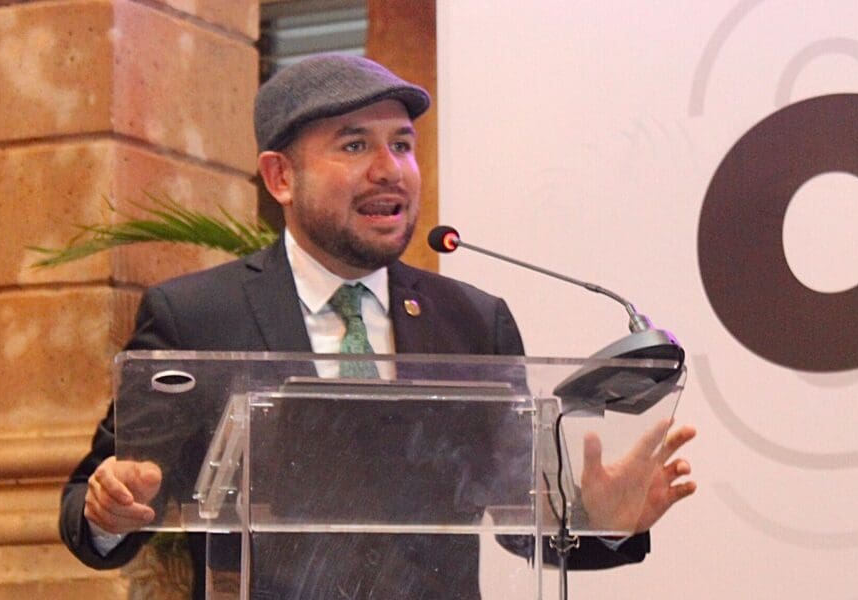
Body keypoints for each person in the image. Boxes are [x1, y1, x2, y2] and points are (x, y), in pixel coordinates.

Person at [60, 54, 697, 599]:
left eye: (402, 144)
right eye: (355, 145)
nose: (389, 169)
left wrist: (599, 520)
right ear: (281, 177)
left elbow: (519, 518)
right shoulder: (198, 316)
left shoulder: (472, 322)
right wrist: (110, 509)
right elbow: (94, 503)